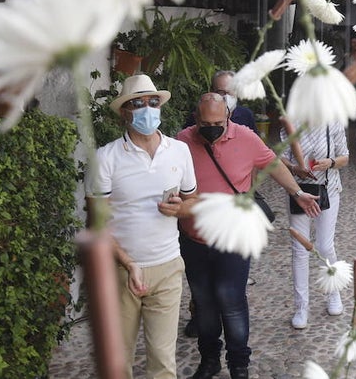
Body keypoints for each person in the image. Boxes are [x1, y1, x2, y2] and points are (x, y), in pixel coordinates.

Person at [177, 93, 322, 379]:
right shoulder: (182, 141)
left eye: (218, 122)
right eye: (205, 123)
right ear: (195, 119)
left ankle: (238, 363)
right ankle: (209, 360)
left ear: (228, 117)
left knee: (231, 300)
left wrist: (297, 191)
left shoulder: (245, 137)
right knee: (203, 302)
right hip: (194, 239)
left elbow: (273, 164)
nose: (211, 128)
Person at [94, 74, 197, 379]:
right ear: (124, 112)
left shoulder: (179, 151)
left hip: (168, 267)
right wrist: (127, 263)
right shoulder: (106, 158)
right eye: (137, 103)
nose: (147, 109)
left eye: (153, 102)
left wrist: (181, 209)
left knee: (164, 364)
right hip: (120, 270)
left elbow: (193, 200)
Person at [282, 120, 350, 329]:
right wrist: (294, 167)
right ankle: (301, 306)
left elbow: (345, 157)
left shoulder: (333, 123)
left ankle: (333, 293)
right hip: (298, 190)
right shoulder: (291, 121)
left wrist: (329, 162)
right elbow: (280, 157)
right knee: (299, 249)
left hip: (328, 189)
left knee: (325, 246)